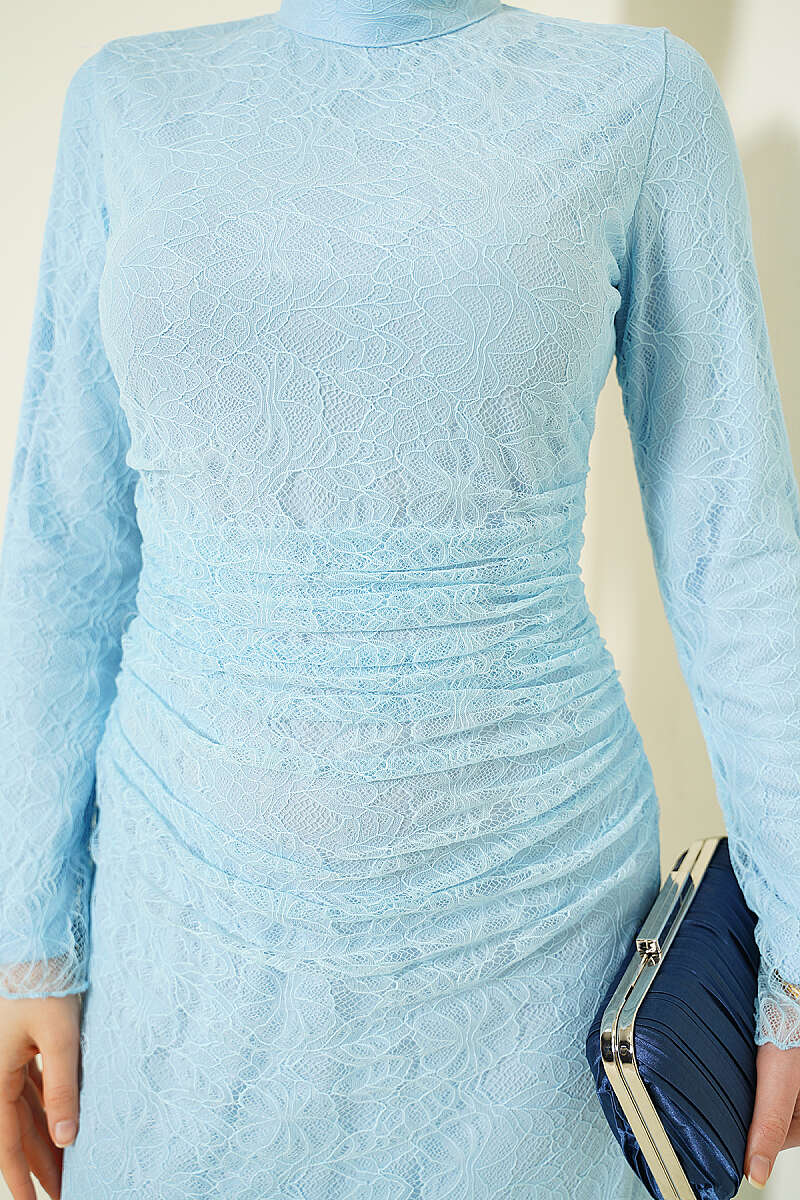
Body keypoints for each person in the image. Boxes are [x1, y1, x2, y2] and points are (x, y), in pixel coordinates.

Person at [1, 2, 799, 1197]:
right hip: (183, 935)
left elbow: (730, 548)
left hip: (537, 942)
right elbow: (63, 543)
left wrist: (795, 952)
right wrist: (26, 938)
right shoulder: (127, 103)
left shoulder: (639, 98)